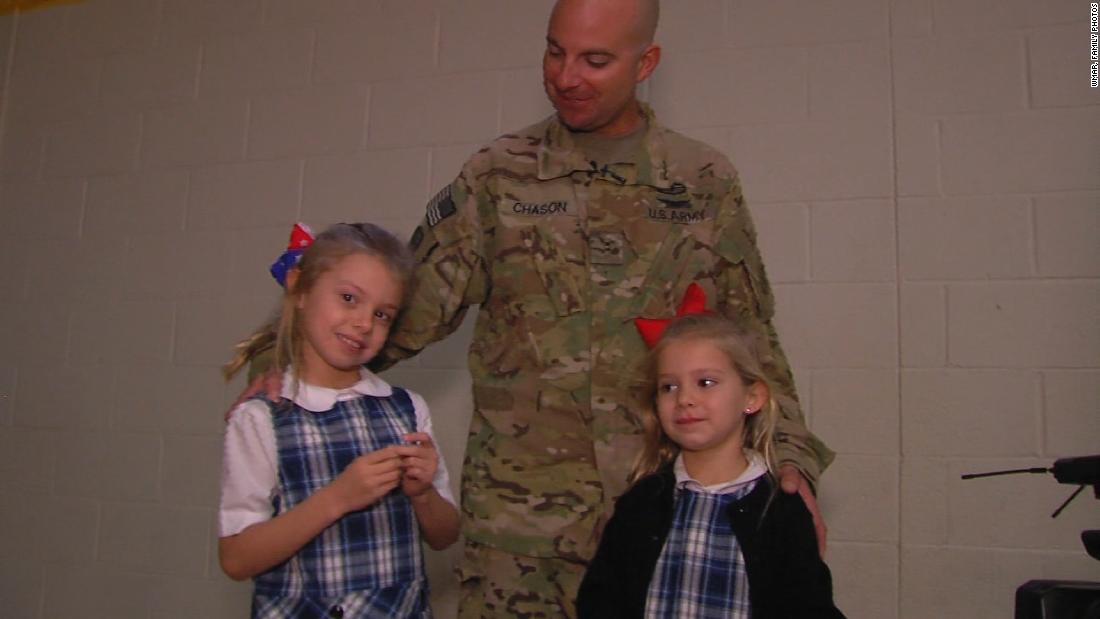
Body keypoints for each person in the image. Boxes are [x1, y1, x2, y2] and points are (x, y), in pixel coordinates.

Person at [367, 0, 834, 616]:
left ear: (646, 62)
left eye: (595, 59)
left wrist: (792, 459)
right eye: (555, 51)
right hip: (522, 536)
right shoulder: (499, 176)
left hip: (662, 524)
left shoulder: (701, 182)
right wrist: (295, 363)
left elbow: (749, 336)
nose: (566, 76)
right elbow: (403, 313)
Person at [219, 223, 460, 618]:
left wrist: (421, 494)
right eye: (349, 298)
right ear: (299, 289)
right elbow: (236, 558)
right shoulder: (262, 418)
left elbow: (445, 535)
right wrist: (337, 498)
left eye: (382, 314)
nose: (365, 323)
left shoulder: (407, 408)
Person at [575, 312, 845, 618]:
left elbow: (808, 606)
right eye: (669, 387)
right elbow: (601, 601)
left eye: (705, 382)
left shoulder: (779, 509)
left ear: (752, 397)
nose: (685, 399)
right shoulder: (642, 502)